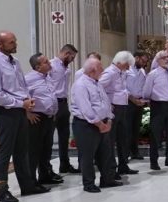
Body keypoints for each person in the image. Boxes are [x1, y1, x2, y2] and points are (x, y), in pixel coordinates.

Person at [0, 31, 50, 202]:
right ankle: (1, 190)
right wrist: (21, 103)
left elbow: (21, 85)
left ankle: (27, 185)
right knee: (5, 151)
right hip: (5, 111)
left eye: (15, 41)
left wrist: (27, 100)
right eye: (11, 42)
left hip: (20, 109)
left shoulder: (15, 62)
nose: (15, 44)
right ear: (0, 44)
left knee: (22, 150)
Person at [70, 58, 118, 193]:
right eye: (101, 68)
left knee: (105, 154)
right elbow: (85, 109)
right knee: (88, 156)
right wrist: (99, 124)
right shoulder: (80, 85)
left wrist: (108, 119)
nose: (103, 70)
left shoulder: (97, 83)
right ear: (92, 70)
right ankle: (89, 183)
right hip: (86, 125)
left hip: (102, 123)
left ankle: (107, 179)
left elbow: (105, 102)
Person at [142, 51, 168, 170]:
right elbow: (146, 92)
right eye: (164, 58)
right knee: (155, 134)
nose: (167, 59)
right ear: (158, 60)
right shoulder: (153, 74)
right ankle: (153, 161)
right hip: (158, 106)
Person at [25, 53, 62, 185]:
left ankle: (45, 175)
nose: (50, 63)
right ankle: (30, 181)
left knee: (46, 149)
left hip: (49, 118)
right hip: (37, 118)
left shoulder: (48, 77)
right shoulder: (28, 79)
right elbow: (21, 96)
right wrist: (27, 113)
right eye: (46, 62)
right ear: (38, 66)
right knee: (34, 150)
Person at [100, 51, 138, 177]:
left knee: (123, 138)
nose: (128, 68)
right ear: (120, 63)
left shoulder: (121, 73)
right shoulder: (110, 73)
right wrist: (107, 104)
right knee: (111, 140)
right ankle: (112, 168)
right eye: (127, 65)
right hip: (113, 109)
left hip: (122, 108)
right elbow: (99, 88)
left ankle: (123, 165)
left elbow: (122, 90)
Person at [49, 43, 79, 174]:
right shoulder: (50, 65)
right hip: (53, 103)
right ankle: (46, 169)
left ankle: (64, 164)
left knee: (64, 136)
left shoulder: (66, 68)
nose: (72, 60)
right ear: (67, 54)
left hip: (63, 103)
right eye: (72, 57)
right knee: (49, 137)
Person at [126, 50, 149, 160]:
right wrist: (133, 99)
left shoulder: (142, 71)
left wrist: (143, 100)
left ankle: (135, 151)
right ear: (136, 58)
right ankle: (125, 153)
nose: (144, 64)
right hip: (129, 101)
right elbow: (123, 87)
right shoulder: (127, 70)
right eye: (143, 61)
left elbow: (143, 87)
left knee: (136, 129)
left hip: (139, 102)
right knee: (127, 129)